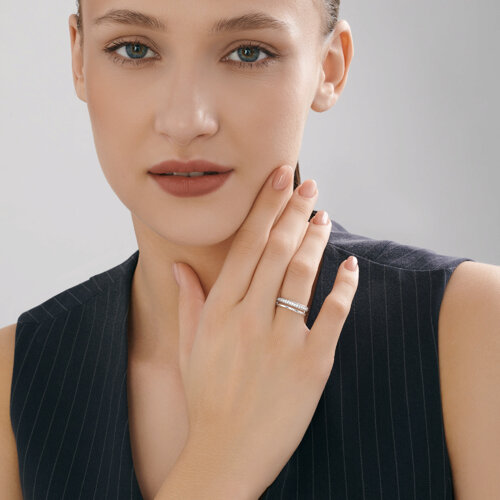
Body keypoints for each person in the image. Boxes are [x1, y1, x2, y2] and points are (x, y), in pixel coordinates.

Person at [0, 0, 499, 499]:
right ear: (79, 59)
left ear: (329, 68)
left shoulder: (474, 329)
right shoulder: (14, 379)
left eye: (248, 52)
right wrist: (219, 460)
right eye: (134, 49)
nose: (186, 121)